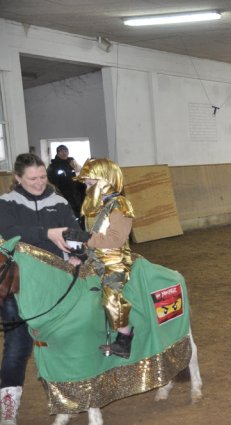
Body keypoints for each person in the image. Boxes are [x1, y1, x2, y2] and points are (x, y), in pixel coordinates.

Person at [0, 153, 82, 425]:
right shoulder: (6, 203)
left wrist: (77, 253)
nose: (39, 183)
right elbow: (10, 231)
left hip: (55, 285)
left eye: (43, 177)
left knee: (59, 343)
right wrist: (47, 233)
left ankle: (65, 399)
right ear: (18, 178)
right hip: (18, 286)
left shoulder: (59, 202)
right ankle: (8, 407)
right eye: (32, 178)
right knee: (17, 345)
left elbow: (74, 233)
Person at [70, 158, 135, 359]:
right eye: (86, 184)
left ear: (106, 181)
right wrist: (81, 252)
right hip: (94, 258)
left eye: (91, 183)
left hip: (114, 261)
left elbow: (115, 239)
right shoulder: (98, 206)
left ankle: (125, 338)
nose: (87, 188)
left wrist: (86, 238)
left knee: (111, 295)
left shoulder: (120, 205)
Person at [47, 145, 85, 220]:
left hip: (76, 197)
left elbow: (81, 177)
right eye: (61, 151)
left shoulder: (73, 163)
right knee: (67, 217)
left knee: (79, 217)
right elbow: (50, 183)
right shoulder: (53, 166)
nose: (64, 153)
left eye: (65, 151)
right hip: (63, 197)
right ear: (57, 153)